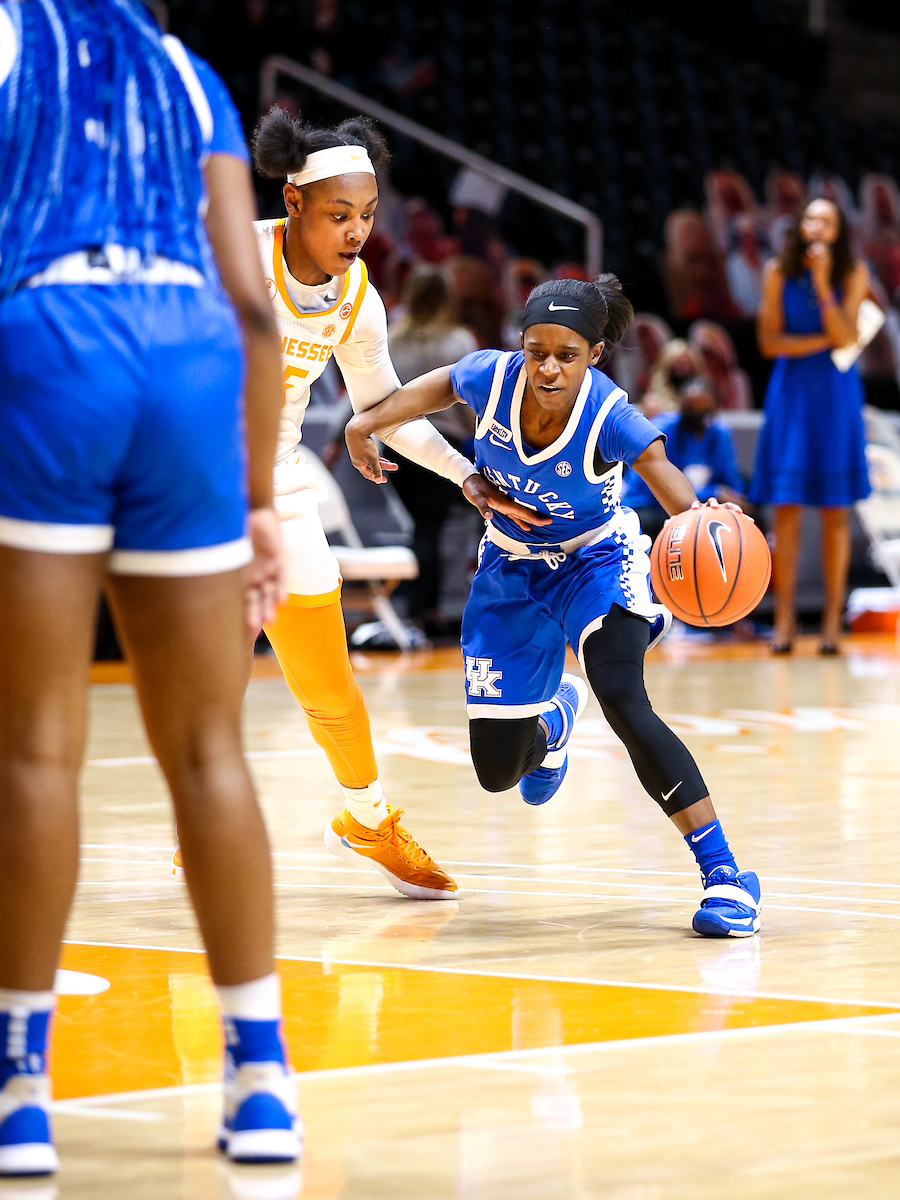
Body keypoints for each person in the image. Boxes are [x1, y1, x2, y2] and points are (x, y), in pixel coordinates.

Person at [0, 0, 298, 1173]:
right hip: (186, 354)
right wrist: (262, 498)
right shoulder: (186, 70)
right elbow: (253, 302)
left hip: (50, 337)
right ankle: (262, 1080)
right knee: (210, 748)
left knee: (34, 747)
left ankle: (21, 1092)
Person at [344, 274, 762, 940]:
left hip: (597, 562)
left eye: (566, 354)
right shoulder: (492, 377)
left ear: (594, 354)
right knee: (496, 771)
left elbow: (664, 474)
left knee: (625, 700)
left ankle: (727, 877)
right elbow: (442, 384)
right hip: (510, 566)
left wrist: (701, 516)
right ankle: (553, 726)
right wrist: (367, 421)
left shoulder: (610, 413)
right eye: (536, 350)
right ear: (521, 344)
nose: (547, 366)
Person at [230, 106, 529, 897]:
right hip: (192, 483)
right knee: (215, 675)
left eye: (367, 215)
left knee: (328, 681)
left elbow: (386, 410)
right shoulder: (229, 254)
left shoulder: (358, 298)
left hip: (278, 481)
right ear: (292, 205)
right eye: (339, 215)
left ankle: (368, 819)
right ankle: (212, 832)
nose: (357, 230)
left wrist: (465, 474)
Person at [749, 198, 871, 654]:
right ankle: (784, 623)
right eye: (811, 218)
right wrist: (826, 339)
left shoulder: (852, 273)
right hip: (793, 395)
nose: (818, 226)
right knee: (787, 508)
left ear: (837, 231)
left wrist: (822, 285)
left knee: (837, 511)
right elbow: (769, 341)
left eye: (828, 220)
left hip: (836, 398)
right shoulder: (776, 272)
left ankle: (832, 627)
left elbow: (847, 338)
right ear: (800, 225)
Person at [388, 268, 478, 633]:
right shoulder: (457, 340)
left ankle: (419, 607)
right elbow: (468, 401)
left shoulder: (393, 340)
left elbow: (371, 394)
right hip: (441, 443)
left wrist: (337, 439)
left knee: (424, 527)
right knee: (435, 526)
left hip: (397, 445)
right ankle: (428, 610)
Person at [622, 377, 747, 543]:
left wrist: (734, 502)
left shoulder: (720, 433)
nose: (697, 415)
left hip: (697, 507)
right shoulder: (661, 430)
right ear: (680, 407)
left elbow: (731, 483)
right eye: (690, 409)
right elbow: (655, 489)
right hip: (648, 507)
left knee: (740, 516)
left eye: (704, 410)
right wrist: (714, 492)